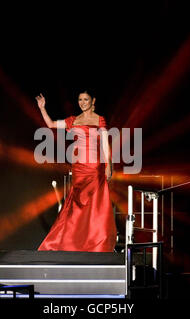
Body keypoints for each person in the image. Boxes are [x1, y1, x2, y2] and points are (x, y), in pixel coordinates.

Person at [35, 90, 117, 252]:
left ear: (93, 100)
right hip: (79, 168)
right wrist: (42, 108)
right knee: (76, 206)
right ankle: (75, 243)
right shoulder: (73, 120)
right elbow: (51, 125)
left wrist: (109, 165)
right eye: (80, 99)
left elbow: (105, 145)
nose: (82, 102)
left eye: (85, 99)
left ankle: (96, 243)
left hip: (94, 168)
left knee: (95, 206)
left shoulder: (99, 119)